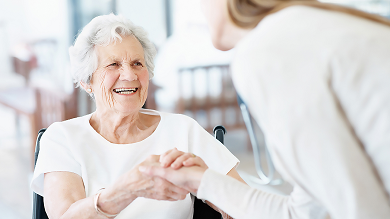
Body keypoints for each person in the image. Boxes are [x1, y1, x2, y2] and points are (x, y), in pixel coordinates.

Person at [139, 0, 390, 218]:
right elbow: (305, 212)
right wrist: (201, 181)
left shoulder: (267, 49)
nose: (201, 8)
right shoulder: (311, 26)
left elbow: (360, 211)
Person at [30, 14, 244, 219]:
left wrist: (208, 184)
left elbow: (245, 206)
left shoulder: (183, 129)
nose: (129, 75)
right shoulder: (62, 138)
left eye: (137, 63)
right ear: (87, 81)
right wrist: (127, 189)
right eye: (113, 64)